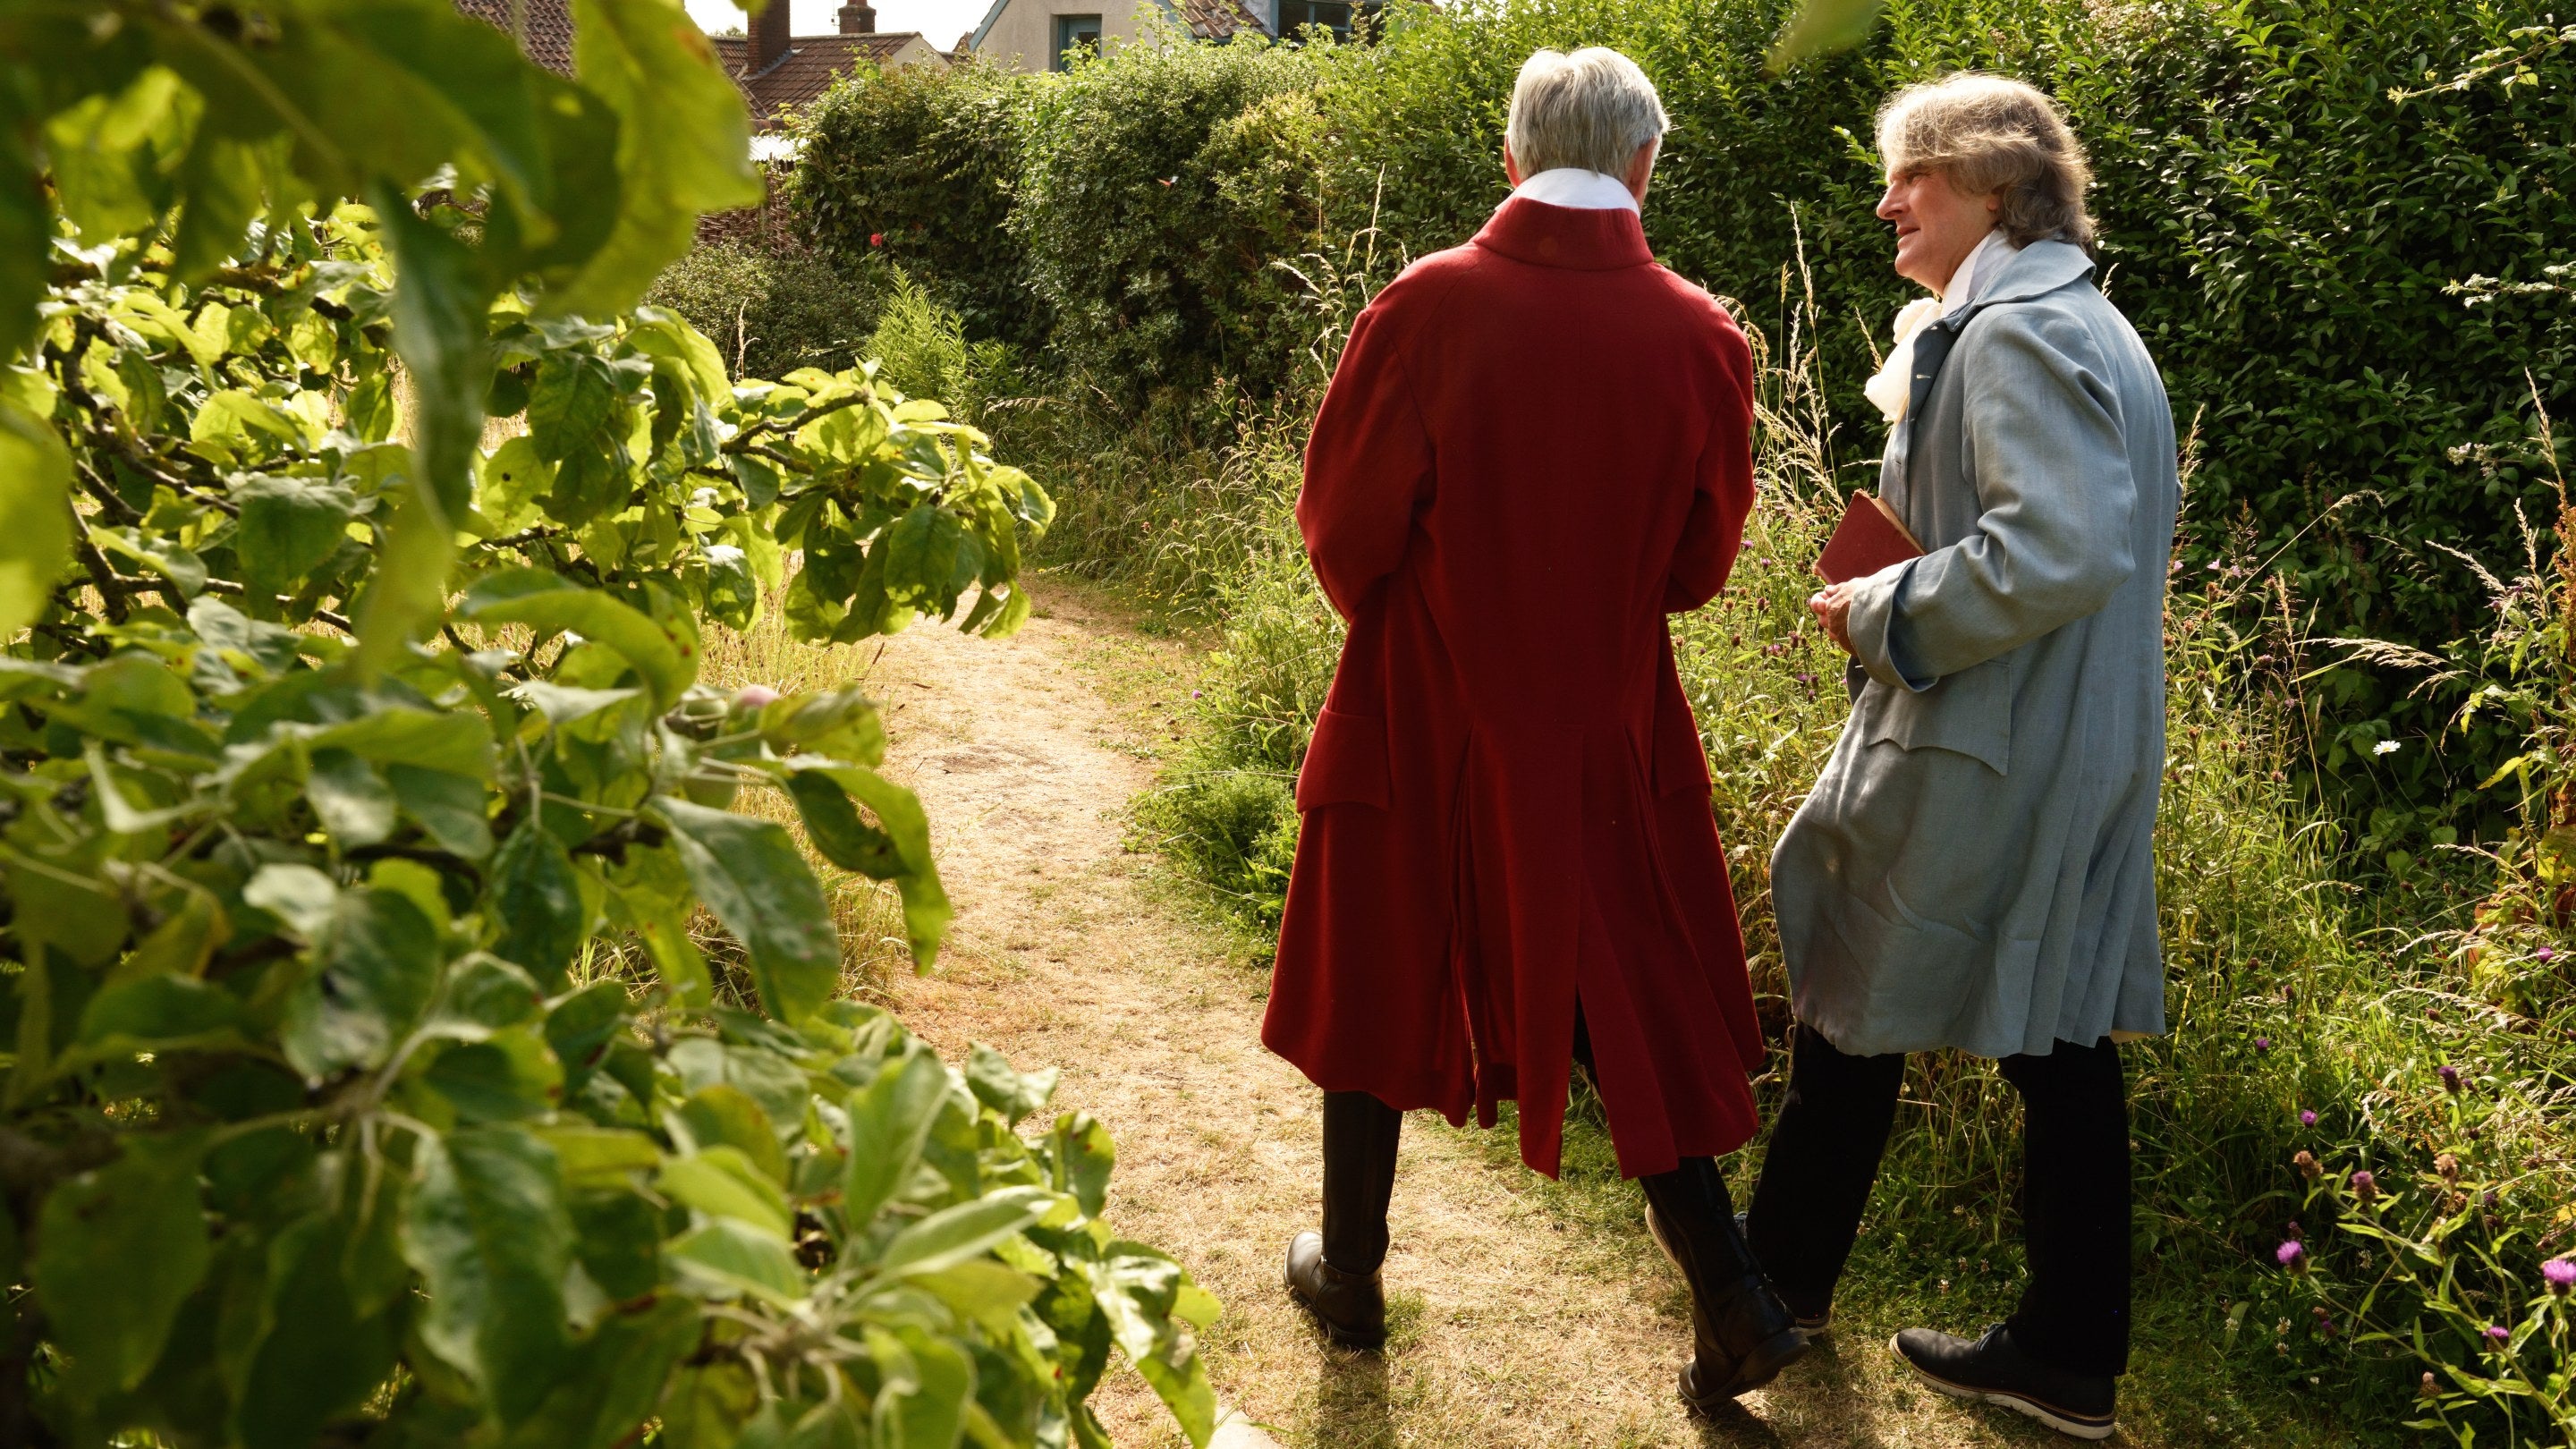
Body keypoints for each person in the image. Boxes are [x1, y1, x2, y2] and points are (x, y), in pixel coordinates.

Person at [1261, 46, 1803, 1410]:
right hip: (1606, 716)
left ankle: (1352, 1275)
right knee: (1615, 986)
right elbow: (1699, 569)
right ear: (1645, 166)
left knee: (1378, 959)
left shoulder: (1424, 306)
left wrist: (1419, 627)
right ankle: (1735, 1298)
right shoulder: (1706, 338)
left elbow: (1342, 529)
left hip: (1422, 693)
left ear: (1510, 158)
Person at [1748, 73, 2179, 1442]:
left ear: (1993, 188)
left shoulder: (2016, 334)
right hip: (2072, 734)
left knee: (1850, 987)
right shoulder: (2087, 322)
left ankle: (1768, 1294)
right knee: (2056, 1034)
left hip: (1993, 740)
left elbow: (2058, 547)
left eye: (1912, 176)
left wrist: (1882, 608)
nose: (1888, 203)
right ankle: (2067, 1352)